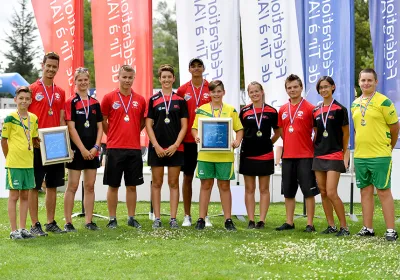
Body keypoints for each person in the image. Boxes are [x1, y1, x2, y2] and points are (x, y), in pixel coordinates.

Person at [351, 68, 399, 241]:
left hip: (380, 155)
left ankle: (391, 230)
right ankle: (368, 228)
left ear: (376, 82)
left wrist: (389, 147)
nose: (366, 83)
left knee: (383, 191)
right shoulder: (355, 103)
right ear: (359, 81)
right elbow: (358, 129)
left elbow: (395, 128)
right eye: (363, 80)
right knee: (365, 191)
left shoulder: (384, 102)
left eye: (369, 80)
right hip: (361, 155)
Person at [192, 80, 244, 231]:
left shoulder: (231, 110)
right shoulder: (201, 110)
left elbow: (239, 129)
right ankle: (201, 219)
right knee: (205, 186)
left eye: (219, 91)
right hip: (205, 155)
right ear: (209, 93)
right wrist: (196, 136)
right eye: (213, 91)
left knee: (224, 186)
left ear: (223, 92)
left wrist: (237, 141)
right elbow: (194, 128)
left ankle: (228, 219)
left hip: (225, 156)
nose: (216, 94)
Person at [101, 65, 146, 229]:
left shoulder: (140, 100)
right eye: (124, 77)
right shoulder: (109, 98)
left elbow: (142, 122)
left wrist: (134, 132)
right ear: (118, 77)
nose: (127, 80)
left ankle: (131, 217)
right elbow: (103, 120)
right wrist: (112, 134)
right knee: (113, 185)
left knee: (131, 185)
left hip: (134, 148)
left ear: (134, 78)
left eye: (130, 77)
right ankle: (112, 218)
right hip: (114, 147)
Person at [28, 51, 66, 235]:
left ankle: (50, 222)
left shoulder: (60, 93)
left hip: (55, 145)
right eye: (48, 66)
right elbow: (25, 118)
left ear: (58, 68)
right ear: (42, 65)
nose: (51, 69)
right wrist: (31, 137)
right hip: (36, 144)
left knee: (53, 185)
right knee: (35, 185)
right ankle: (35, 224)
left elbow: (60, 119)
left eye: (54, 67)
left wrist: (64, 144)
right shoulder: (31, 89)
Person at [146, 64, 188, 229]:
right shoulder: (153, 100)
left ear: (173, 79)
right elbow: (149, 125)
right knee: (156, 183)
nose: (166, 80)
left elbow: (184, 126)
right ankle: (157, 218)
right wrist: (156, 145)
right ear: (160, 79)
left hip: (175, 148)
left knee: (173, 183)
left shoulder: (180, 101)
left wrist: (176, 145)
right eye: (163, 77)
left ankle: (172, 218)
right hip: (157, 148)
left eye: (169, 77)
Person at [276, 74, 319, 232]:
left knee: (308, 191)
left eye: (295, 87)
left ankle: (310, 223)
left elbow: (316, 131)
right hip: (287, 157)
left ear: (301, 88)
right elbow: (281, 131)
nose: (292, 90)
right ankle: (289, 222)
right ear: (286, 90)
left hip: (306, 156)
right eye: (289, 87)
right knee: (288, 191)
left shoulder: (310, 108)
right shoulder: (282, 109)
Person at [63, 68, 103, 231]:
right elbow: (71, 128)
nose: (83, 82)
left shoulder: (94, 103)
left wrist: (96, 146)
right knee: (72, 185)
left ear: (89, 81)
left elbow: (100, 127)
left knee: (90, 186)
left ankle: (88, 220)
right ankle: (68, 222)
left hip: (92, 151)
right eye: (80, 80)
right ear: (75, 82)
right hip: (76, 150)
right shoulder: (70, 102)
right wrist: (82, 149)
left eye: (85, 80)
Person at [312, 76, 350, 236]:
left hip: (335, 154)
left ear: (333, 87)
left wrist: (344, 154)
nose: (323, 90)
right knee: (323, 191)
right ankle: (331, 225)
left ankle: (344, 227)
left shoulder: (340, 109)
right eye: (321, 88)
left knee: (331, 192)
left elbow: (346, 134)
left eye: (326, 87)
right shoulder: (316, 111)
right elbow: (315, 133)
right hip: (319, 154)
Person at [239, 82, 280, 229]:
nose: (255, 94)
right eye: (251, 92)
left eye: (257, 91)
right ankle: (251, 219)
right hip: (248, 154)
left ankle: (261, 220)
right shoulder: (244, 111)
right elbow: (240, 131)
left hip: (265, 154)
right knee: (249, 189)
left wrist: (269, 143)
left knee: (264, 189)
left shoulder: (271, 111)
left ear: (262, 92)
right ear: (248, 94)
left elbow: (278, 131)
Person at [177, 58, 212, 227]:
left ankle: (204, 215)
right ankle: (187, 215)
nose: (196, 69)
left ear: (203, 68)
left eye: (199, 66)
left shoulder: (211, 87)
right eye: (193, 66)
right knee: (188, 177)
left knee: (207, 179)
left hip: (208, 140)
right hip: (188, 140)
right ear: (189, 69)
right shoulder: (182, 89)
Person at [1, 86, 39, 239]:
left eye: (27, 99)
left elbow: (34, 139)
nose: (24, 101)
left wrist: (38, 143)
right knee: (14, 196)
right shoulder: (10, 118)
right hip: (15, 164)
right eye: (21, 98)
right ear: (15, 100)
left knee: (25, 196)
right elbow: (3, 141)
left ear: (30, 100)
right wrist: (9, 158)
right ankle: (13, 230)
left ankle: (23, 228)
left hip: (28, 163)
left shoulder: (33, 118)